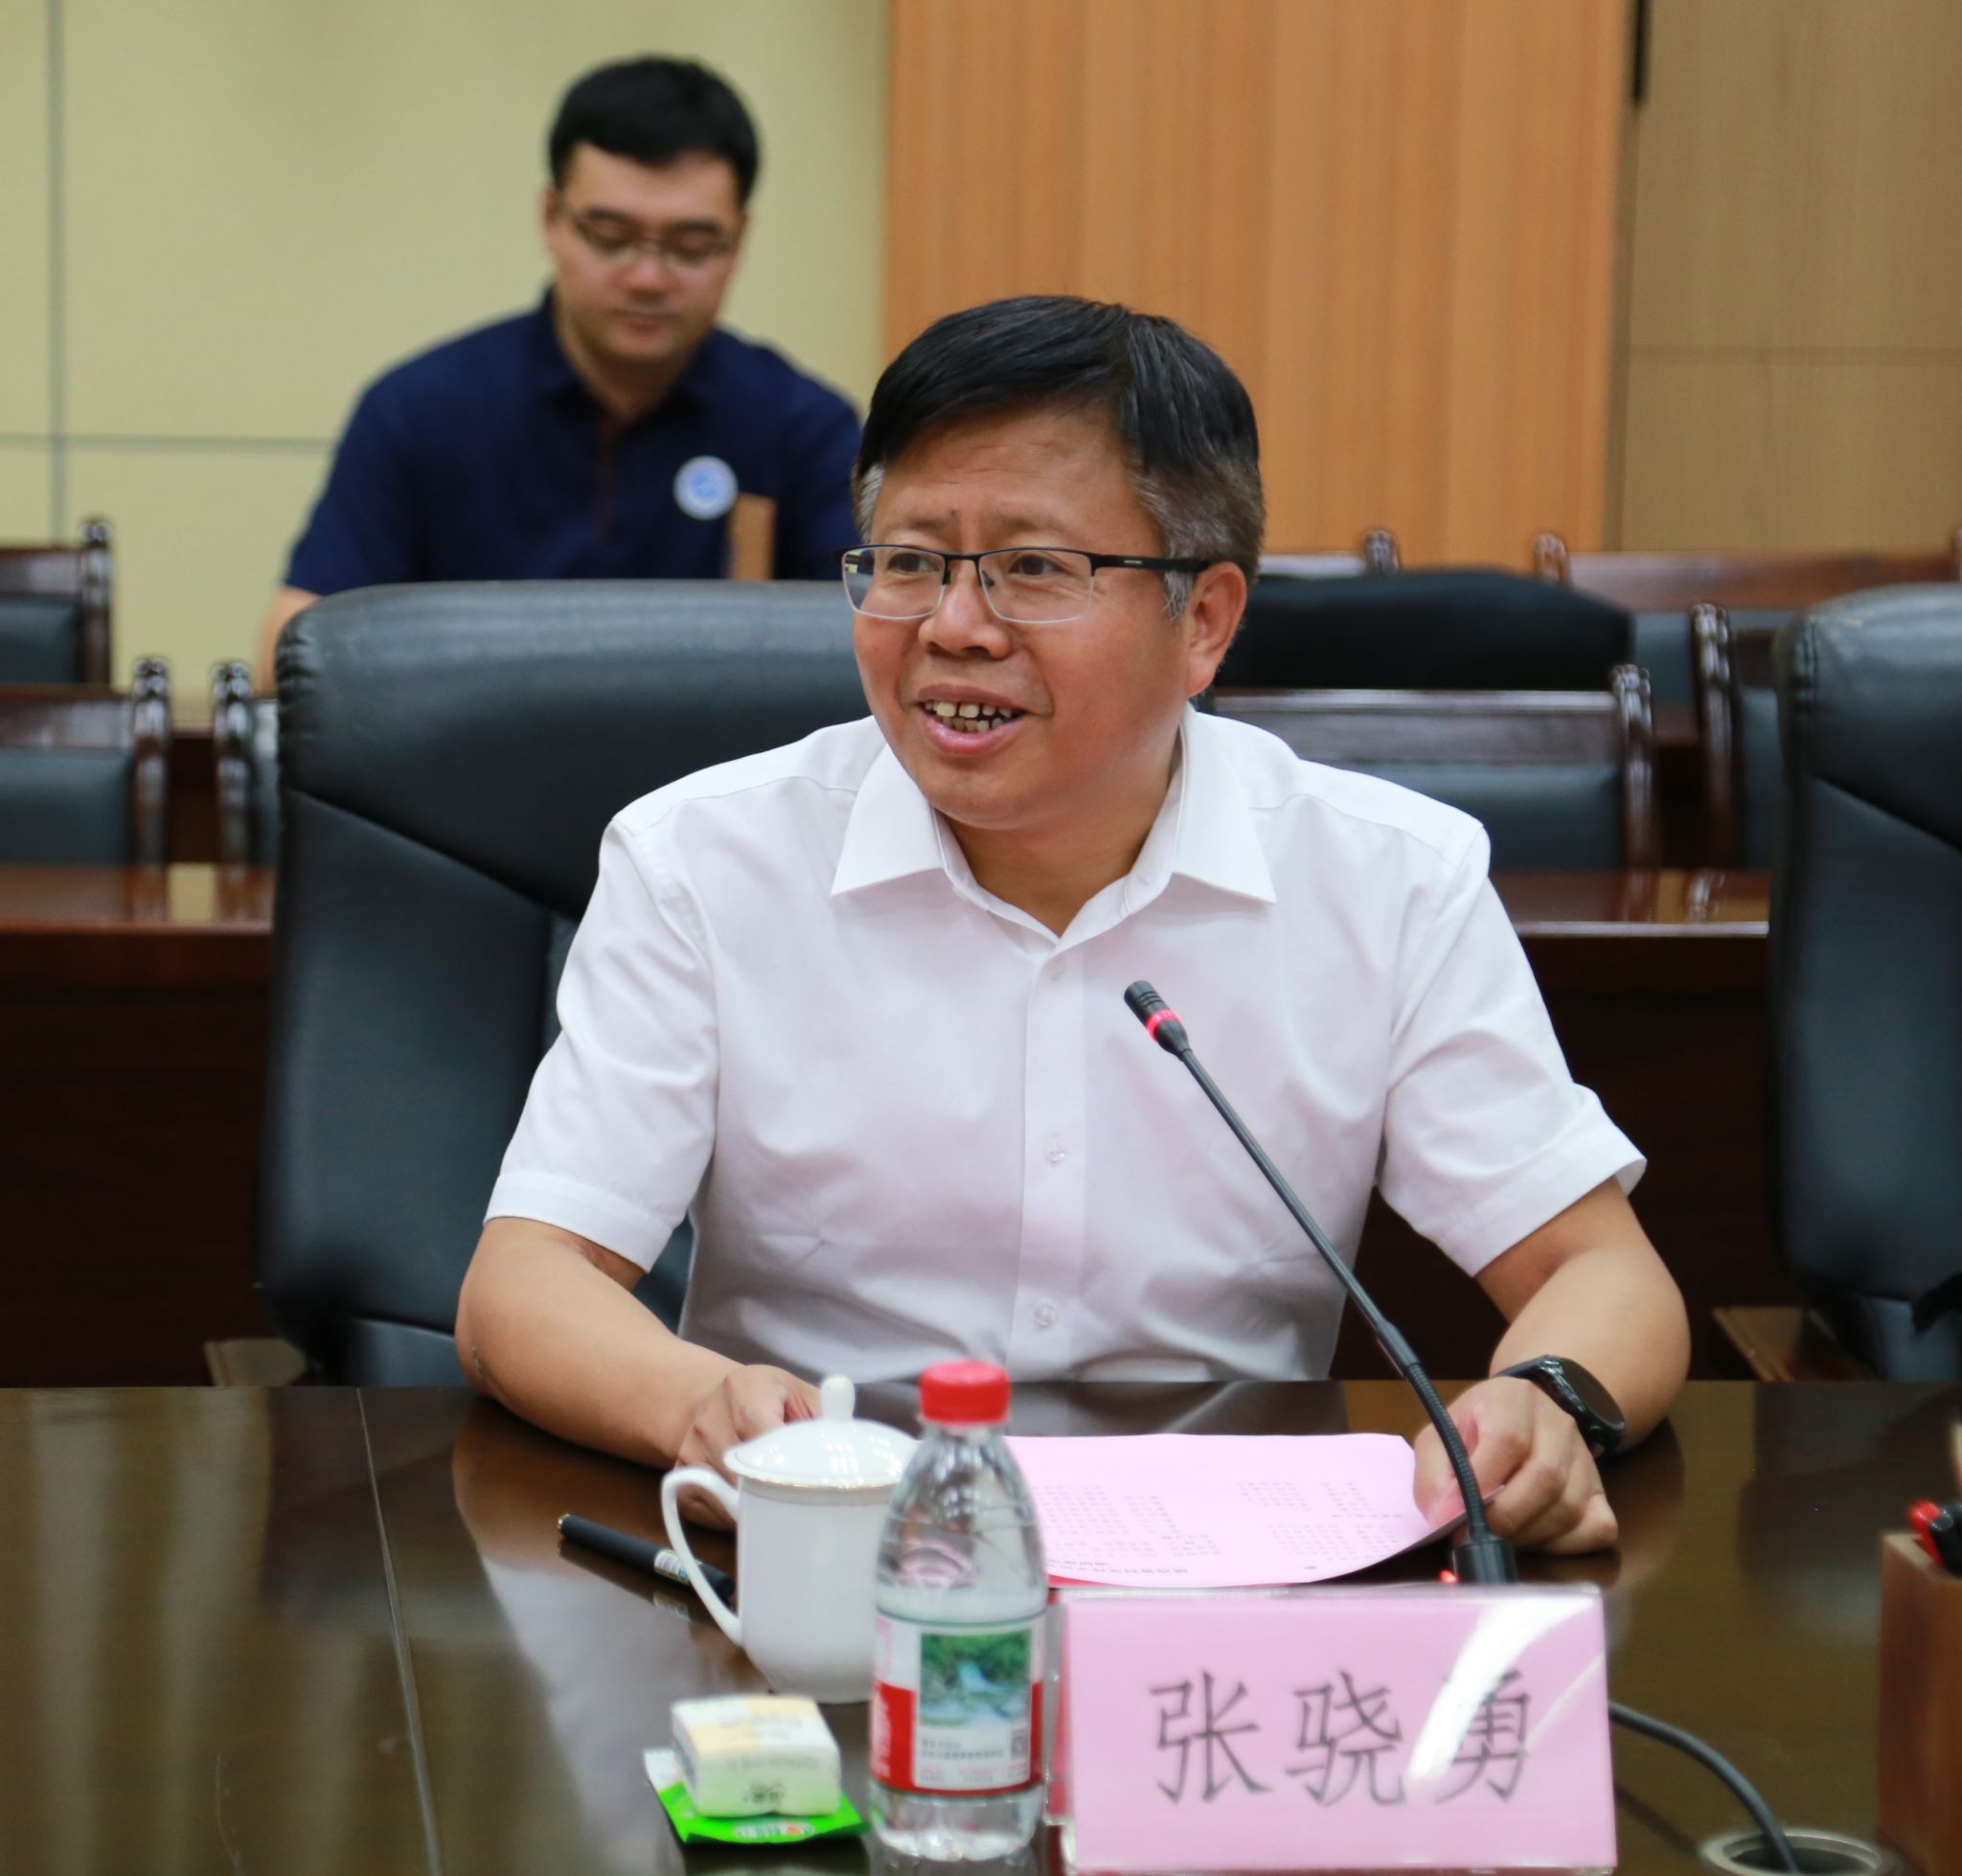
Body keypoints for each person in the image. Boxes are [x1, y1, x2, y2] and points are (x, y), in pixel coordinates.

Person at [456, 294, 1689, 1554]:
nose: (953, 626)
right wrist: (699, 1405)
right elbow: (524, 1286)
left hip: (1231, 1566)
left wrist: (1547, 1403)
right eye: (910, 562)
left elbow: (1602, 1272)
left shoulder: (1387, 881)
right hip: (825, 1556)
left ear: (1204, 619)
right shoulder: (703, 862)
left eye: (1035, 569)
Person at [256, 57, 860, 684]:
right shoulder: (421, 410)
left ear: (738, 239)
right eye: (610, 235)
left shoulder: (804, 428)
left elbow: (863, 658)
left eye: (690, 246)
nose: (647, 277)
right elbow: (293, 659)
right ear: (551, 217)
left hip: (725, 751)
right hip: (474, 747)